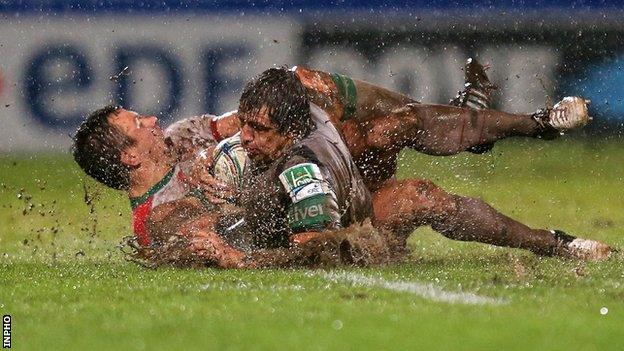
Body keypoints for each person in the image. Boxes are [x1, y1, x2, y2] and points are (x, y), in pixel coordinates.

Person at [72, 63, 610, 265]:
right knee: (421, 197)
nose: (147, 117)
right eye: (133, 122)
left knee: (378, 120)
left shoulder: (181, 135)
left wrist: (291, 87)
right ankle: (557, 244)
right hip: (321, 234)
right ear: (127, 157)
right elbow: (240, 247)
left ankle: (531, 123)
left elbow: (243, 123)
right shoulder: (161, 219)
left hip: (309, 184)